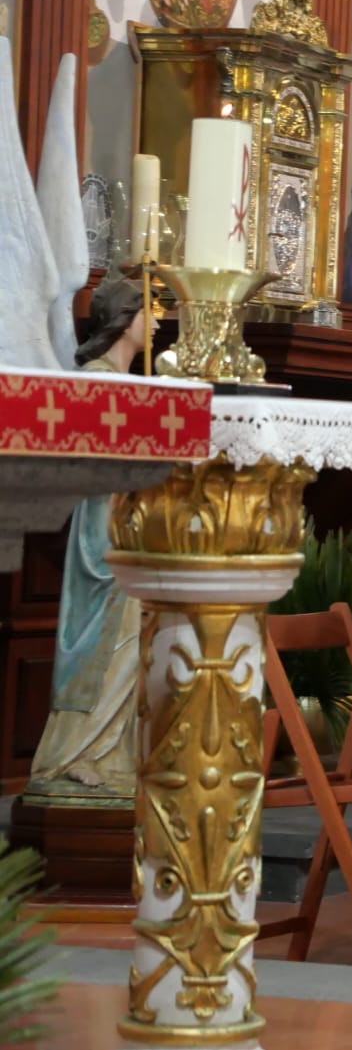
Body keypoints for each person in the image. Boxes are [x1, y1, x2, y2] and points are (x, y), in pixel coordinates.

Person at [25, 279, 150, 801]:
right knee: (103, 639)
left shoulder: (124, 378)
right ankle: (73, 754)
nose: (158, 322)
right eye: (150, 311)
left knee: (130, 642)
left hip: (123, 523)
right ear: (125, 319)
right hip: (103, 527)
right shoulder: (98, 381)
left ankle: (109, 752)